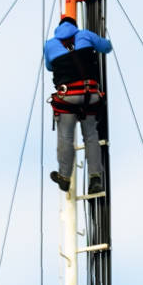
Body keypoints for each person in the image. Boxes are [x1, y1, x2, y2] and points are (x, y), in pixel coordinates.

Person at [44, 17, 112, 193]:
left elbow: (50, 67)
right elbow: (106, 47)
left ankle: (65, 177)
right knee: (91, 136)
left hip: (68, 97)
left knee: (66, 137)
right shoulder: (85, 35)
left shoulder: (50, 45)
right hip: (90, 95)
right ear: (75, 26)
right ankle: (95, 178)